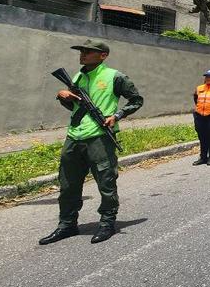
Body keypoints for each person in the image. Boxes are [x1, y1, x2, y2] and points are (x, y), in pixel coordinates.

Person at [39, 40, 144, 246]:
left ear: (103, 55)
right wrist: (63, 96)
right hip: (75, 135)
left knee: (106, 182)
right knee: (68, 184)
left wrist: (117, 115)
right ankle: (67, 224)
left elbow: (136, 100)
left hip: (100, 136)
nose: (83, 54)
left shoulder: (115, 76)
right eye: (82, 51)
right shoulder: (77, 76)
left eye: (88, 52)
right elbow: (75, 109)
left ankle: (107, 222)